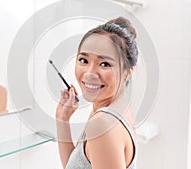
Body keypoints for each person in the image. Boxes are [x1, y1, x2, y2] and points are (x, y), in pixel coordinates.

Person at [56, 17, 138, 169]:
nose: (89, 74)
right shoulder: (111, 109)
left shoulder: (101, 124)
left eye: (104, 64)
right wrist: (62, 119)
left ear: (127, 72)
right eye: (83, 60)